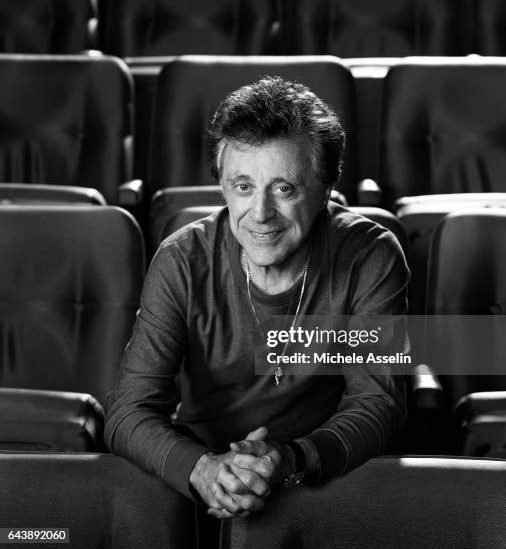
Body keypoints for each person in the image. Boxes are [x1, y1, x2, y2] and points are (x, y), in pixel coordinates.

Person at [105, 76, 409, 520]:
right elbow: (128, 410)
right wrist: (204, 470)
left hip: (321, 480)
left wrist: (291, 459)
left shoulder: (371, 255)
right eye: (243, 187)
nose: (260, 214)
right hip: (204, 477)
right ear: (223, 186)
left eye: (284, 188)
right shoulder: (182, 259)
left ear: (326, 190)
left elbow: (378, 403)